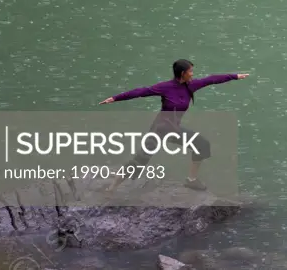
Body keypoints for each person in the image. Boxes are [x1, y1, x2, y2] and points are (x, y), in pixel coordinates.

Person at [99, 59, 249, 192]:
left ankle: (191, 180)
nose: (192, 73)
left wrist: (234, 76)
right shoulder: (165, 87)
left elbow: (211, 79)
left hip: (173, 129)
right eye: (190, 71)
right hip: (159, 130)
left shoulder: (191, 86)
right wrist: (115, 98)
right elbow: (140, 92)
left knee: (201, 144)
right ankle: (111, 188)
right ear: (182, 73)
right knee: (139, 161)